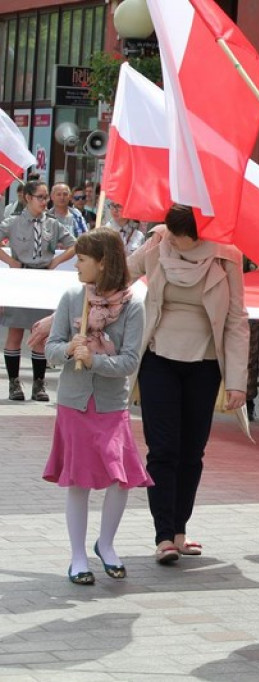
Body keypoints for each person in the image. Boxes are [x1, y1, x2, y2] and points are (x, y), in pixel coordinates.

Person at [128, 204, 248, 564]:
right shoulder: (156, 244)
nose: (175, 244)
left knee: (192, 451)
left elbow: (237, 319)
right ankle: (163, 535)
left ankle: (180, 529)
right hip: (158, 359)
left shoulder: (227, 256)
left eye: (181, 238)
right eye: (171, 235)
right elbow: (117, 274)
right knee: (162, 449)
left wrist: (238, 382)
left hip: (206, 364)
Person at [42, 228, 149, 585]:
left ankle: (106, 543)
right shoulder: (73, 297)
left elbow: (130, 361)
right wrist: (71, 349)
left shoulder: (133, 305)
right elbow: (51, 348)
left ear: (103, 263)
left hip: (110, 405)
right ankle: (77, 557)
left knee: (120, 479)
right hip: (74, 402)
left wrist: (95, 361)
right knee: (78, 481)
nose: (76, 265)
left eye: (83, 259)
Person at [0, 179, 78, 401]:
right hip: (20, 279)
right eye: (40, 197)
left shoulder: (52, 224)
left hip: (42, 281)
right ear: (28, 198)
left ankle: (38, 384)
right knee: (15, 331)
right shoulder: (13, 222)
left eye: (46, 197)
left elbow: (76, 244)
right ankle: (14, 383)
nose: (45, 202)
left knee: (41, 334)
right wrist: (10, 261)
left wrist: (56, 261)